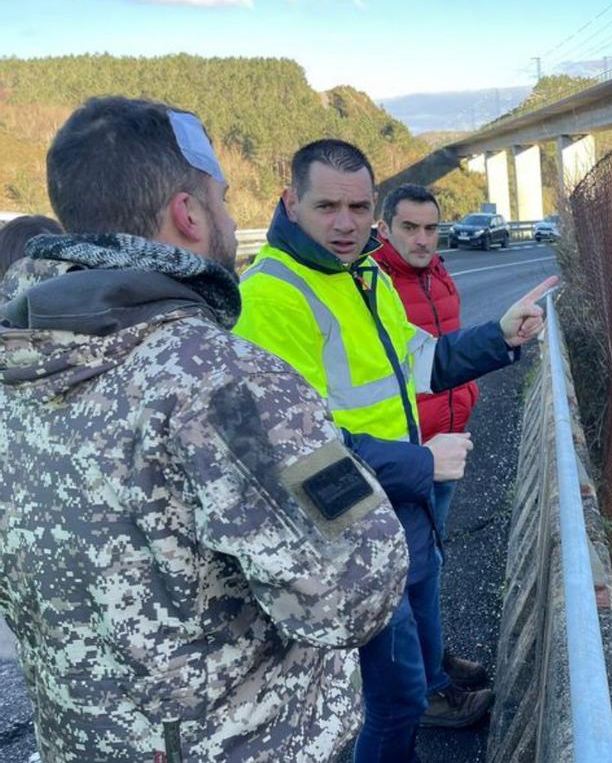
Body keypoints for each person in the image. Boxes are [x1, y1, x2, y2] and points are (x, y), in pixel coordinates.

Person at [0, 97, 409, 763]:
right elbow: (355, 588)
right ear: (189, 214)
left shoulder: (16, 370)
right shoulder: (224, 381)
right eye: (219, 196)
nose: (226, 214)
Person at [233, 139, 554, 763]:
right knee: (396, 698)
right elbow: (291, 452)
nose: (346, 222)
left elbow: (419, 359)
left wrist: (499, 336)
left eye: (358, 205)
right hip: (350, 525)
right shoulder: (272, 297)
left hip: (400, 506)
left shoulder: (363, 272)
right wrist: (423, 464)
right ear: (289, 202)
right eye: (327, 206)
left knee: (403, 685)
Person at [373, 184, 489, 718]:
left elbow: (447, 351)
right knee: (413, 572)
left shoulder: (439, 273)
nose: (422, 239)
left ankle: (433, 658)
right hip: (407, 456)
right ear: (386, 227)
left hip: (447, 442)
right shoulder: (372, 282)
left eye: (430, 227)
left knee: (432, 564)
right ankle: (427, 690)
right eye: (409, 228)